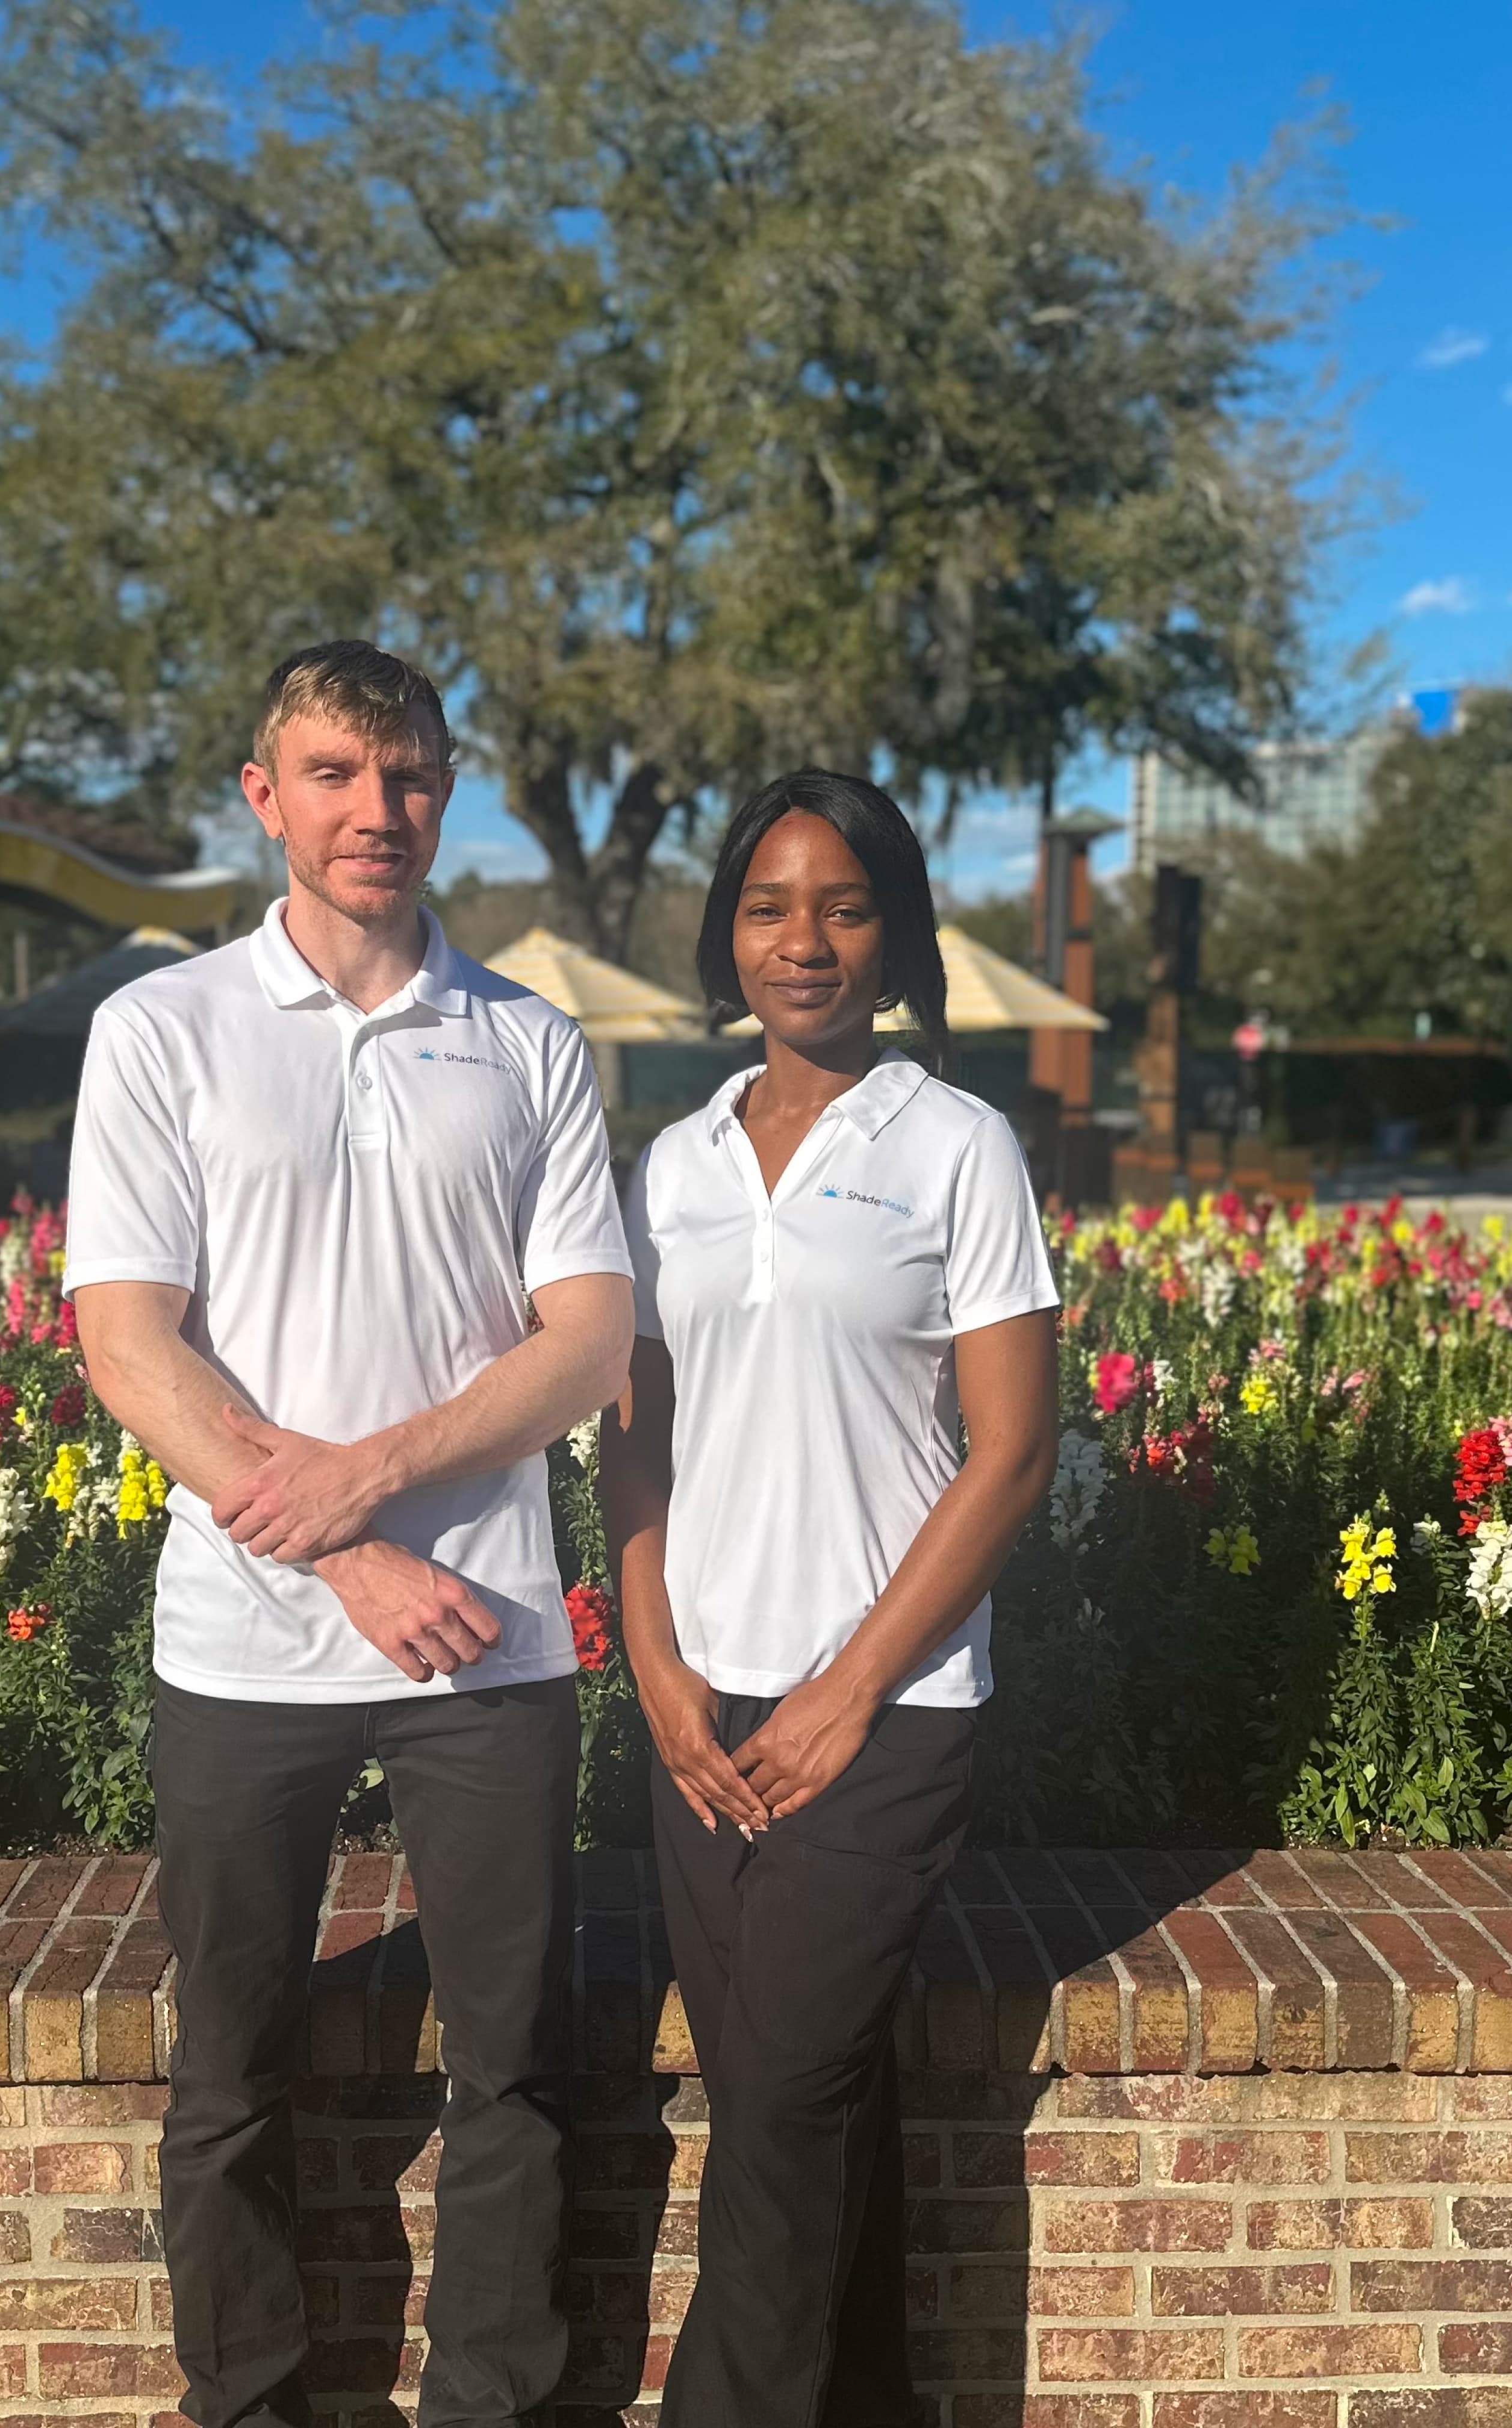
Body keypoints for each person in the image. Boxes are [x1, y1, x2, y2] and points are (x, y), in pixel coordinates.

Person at [65, 640, 636, 2428]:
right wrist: (343, 1551)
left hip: (495, 1644)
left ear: (443, 792)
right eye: (332, 776)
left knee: (514, 2070)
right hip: (243, 1648)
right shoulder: (163, 1031)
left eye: (405, 780)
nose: (373, 813)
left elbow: (592, 1341)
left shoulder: (530, 1043)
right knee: (229, 2074)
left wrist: (370, 1482)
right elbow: (128, 1345)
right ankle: (249, 2404)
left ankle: (491, 2405)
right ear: (266, 794)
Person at [600, 768, 1059, 2427]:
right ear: (731, 931)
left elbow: (1010, 1456)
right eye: (772, 905)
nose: (807, 940)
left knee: (780, 2126)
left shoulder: (956, 1146)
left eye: (845, 906)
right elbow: (634, 1443)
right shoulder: (670, 1166)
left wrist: (849, 1689)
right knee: (814, 2113)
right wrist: (652, 1665)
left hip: (884, 1716)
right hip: (702, 1716)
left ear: (896, 934)